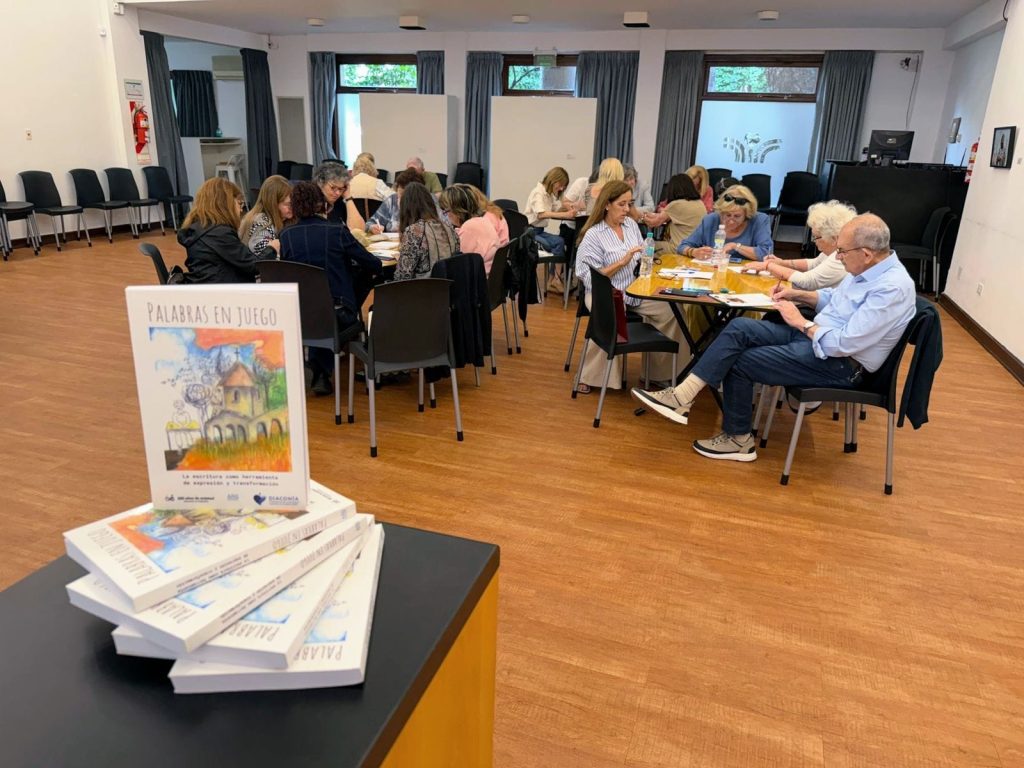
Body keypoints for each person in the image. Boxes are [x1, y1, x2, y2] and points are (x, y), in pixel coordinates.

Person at [632, 213, 916, 461]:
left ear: (866, 253)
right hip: (817, 340)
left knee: (740, 361)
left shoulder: (891, 287)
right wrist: (798, 295)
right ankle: (682, 397)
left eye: (842, 251)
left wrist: (801, 322)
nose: (838, 257)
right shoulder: (866, 268)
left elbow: (843, 343)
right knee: (740, 328)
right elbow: (834, 300)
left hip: (841, 364)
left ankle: (739, 440)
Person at [572, 180, 688, 395]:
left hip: (634, 290)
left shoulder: (631, 226)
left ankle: (658, 374)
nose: (627, 209)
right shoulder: (594, 235)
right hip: (604, 292)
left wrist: (648, 261)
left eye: (630, 203)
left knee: (672, 310)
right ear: (607, 205)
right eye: (622, 204)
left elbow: (643, 254)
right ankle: (589, 376)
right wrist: (621, 262)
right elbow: (589, 277)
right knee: (610, 314)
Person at [278, 181, 383, 395]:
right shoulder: (336, 231)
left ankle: (320, 372)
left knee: (318, 307)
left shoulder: (286, 236)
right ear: (321, 204)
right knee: (345, 293)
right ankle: (325, 368)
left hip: (300, 312)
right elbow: (373, 263)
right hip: (338, 310)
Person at [178, 177, 277, 283]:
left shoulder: (198, 229)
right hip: (224, 290)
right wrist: (272, 248)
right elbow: (255, 266)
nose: (241, 209)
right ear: (225, 204)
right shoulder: (219, 234)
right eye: (239, 203)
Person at [744, 200, 857, 290]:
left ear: (833, 238)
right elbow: (813, 263)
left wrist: (768, 266)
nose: (814, 241)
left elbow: (807, 281)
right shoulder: (833, 251)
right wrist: (781, 263)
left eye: (816, 237)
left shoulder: (840, 257)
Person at [677, 184, 773, 261]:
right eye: (727, 215)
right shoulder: (711, 219)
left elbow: (766, 253)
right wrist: (693, 252)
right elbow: (682, 246)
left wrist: (735, 246)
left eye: (737, 216)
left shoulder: (759, 220)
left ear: (747, 214)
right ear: (721, 212)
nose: (731, 221)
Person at [524, 166, 580, 292]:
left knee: (560, 241)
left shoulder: (548, 195)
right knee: (557, 243)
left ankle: (553, 279)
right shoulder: (538, 193)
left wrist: (570, 207)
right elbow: (541, 214)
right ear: (554, 180)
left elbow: (555, 211)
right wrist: (566, 215)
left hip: (539, 231)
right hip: (530, 233)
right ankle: (554, 279)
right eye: (561, 185)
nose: (561, 189)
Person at [395, 181, 460, 280]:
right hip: (448, 286)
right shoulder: (449, 228)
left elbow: (402, 277)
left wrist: (401, 260)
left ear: (406, 207)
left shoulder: (414, 232)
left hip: (423, 287)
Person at [439, 184, 501, 274]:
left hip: (478, 278)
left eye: (446, 211)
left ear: (457, 210)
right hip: (487, 275)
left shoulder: (469, 227)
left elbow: (459, 263)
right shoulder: (482, 221)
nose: (446, 215)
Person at [642, 174, 706, 252]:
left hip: (678, 248)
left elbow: (653, 223)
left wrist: (642, 216)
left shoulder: (677, 204)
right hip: (695, 248)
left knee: (643, 246)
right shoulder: (700, 203)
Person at [239, 175, 292, 256]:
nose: (293, 207)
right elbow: (264, 257)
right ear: (274, 204)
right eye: (288, 204)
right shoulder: (261, 223)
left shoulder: (279, 219)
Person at [365, 168, 423, 234]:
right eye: (400, 194)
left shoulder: (425, 204)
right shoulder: (391, 201)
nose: (401, 199)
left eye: (406, 196)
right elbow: (369, 223)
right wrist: (372, 227)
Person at [314, 161, 365, 231]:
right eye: (333, 188)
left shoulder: (338, 203)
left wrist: (348, 197)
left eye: (341, 189)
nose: (338, 193)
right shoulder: (309, 203)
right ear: (320, 183)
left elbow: (359, 230)